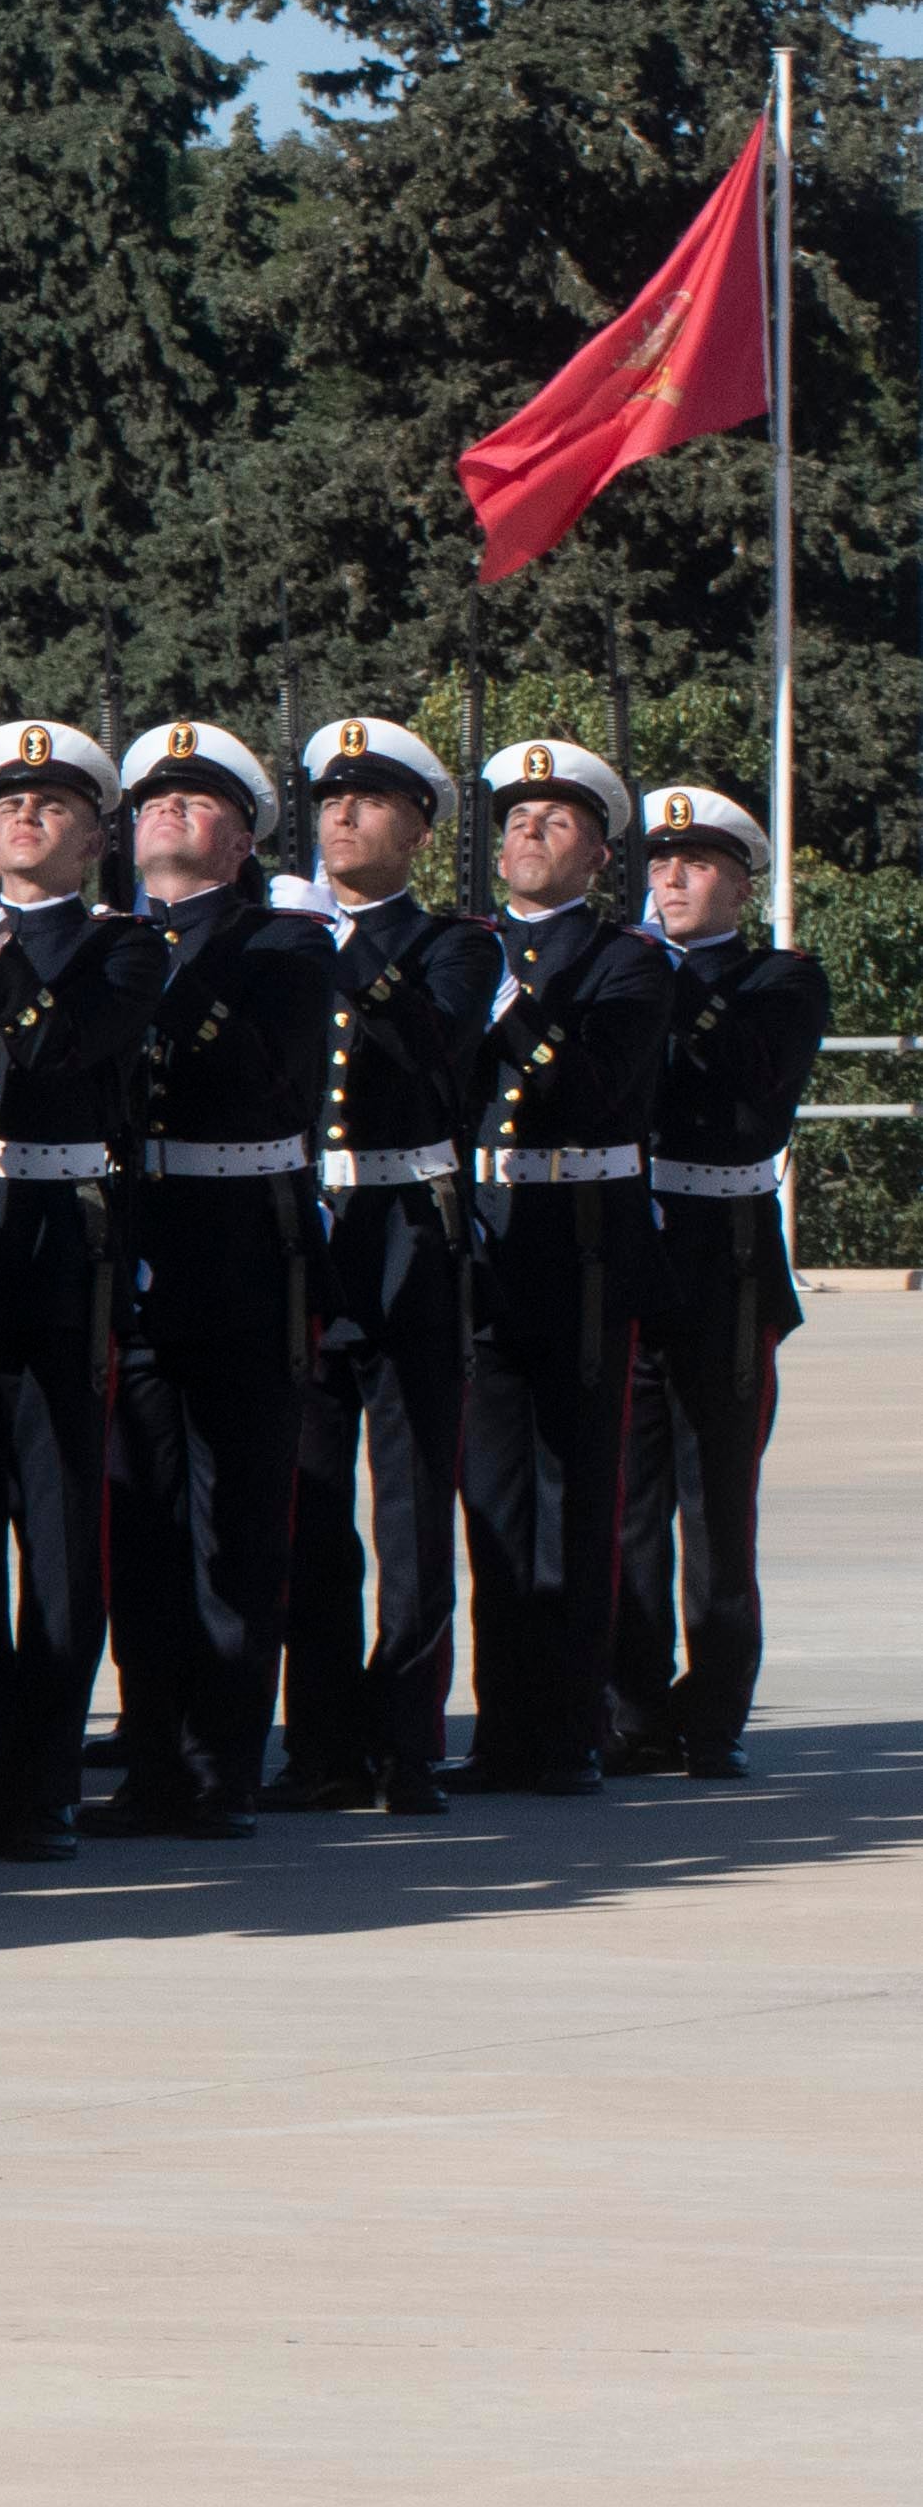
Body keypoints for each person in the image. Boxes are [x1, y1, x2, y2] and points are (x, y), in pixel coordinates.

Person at [95, 726, 330, 1838]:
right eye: (150, 802)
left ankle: (222, 1761)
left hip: (243, 1246)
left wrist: (139, 981)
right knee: (138, 1526)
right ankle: (150, 1759)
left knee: (234, 1523)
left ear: (242, 842)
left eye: (197, 804)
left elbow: (258, 1069)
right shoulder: (107, 942)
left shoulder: (283, 945)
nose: (168, 814)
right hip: (139, 1237)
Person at [0, 727, 144, 1859]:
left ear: (95, 839)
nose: (24, 820)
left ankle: (46, 1776)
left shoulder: (120, 951)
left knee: (59, 1536)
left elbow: (58, 1045)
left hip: (62, 1253)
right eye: (5, 806)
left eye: (53, 806)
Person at [445, 739, 669, 1802]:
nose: (530, 835)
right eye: (517, 820)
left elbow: (595, 1086)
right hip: (489, 1233)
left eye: (558, 822)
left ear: (598, 857)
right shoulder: (462, 949)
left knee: (575, 1497)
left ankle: (572, 1725)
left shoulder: (629, 961)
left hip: (581, 1239)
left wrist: (506, 1012)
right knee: (489, 1500)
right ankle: (503, 1726)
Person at [274, 719, 483, 1814]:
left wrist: (328, 944)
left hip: (408, 1222)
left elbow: (436, 1041)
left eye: (368, 802)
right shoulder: (282, 937)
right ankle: (320, 1746)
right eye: (328, 801)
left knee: (407, 1507)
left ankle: (408, 1740)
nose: (341, 818)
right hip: (312, 1222)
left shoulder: (455, 944)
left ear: (417, 831)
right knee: (309, 1508)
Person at [610, 780, 824, 1780]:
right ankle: (632, 1707)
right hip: (633, 1242)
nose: (672, 879)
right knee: (627, 1501)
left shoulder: (777, 979)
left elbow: (753, 1081)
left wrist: (659, 979)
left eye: (695, 865)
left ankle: (714, 1710)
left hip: (725, 1253)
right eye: (658, 863)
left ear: (741, 882)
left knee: (717, 1501)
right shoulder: (628, 969)